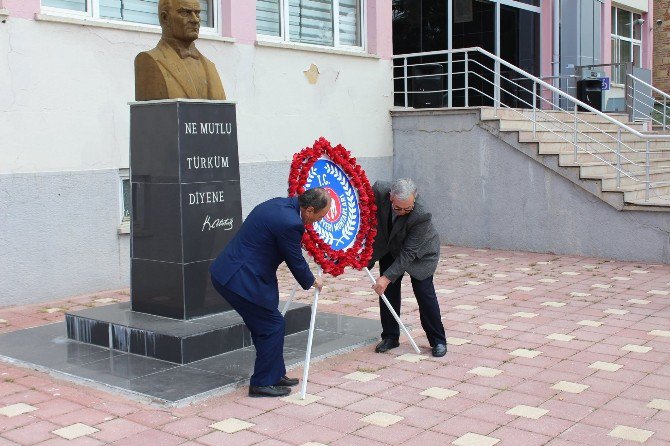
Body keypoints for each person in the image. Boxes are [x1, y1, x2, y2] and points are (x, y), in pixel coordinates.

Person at [210, 189, 329, 397]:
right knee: (273, 325)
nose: (318, 221)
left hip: (238, 272)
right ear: (309, 210)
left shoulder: (281, 205)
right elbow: (294, 259)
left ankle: (274, 374)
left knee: (266, 324)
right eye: (320, 217)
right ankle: (261, 383)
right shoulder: (290, 223)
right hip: (238, 278)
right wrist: (312, 280)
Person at [368, 178, 447, 357]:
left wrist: (386, 278)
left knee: (424, 293)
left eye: (407, 209)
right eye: (398, 208)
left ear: (415, 198)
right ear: (390, 197)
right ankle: (390, 337)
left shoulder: (421, 214)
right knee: (388, 292)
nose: (402, 212)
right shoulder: (379, 190)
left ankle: (438, 340)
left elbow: (409, 253)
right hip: (390, 246)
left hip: (420, 254)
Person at [134, 0, 226, 101]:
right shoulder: (149, 61)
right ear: (165, 18)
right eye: (185, 13)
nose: (195, 20)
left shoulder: (210, 66)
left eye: (197, 13)